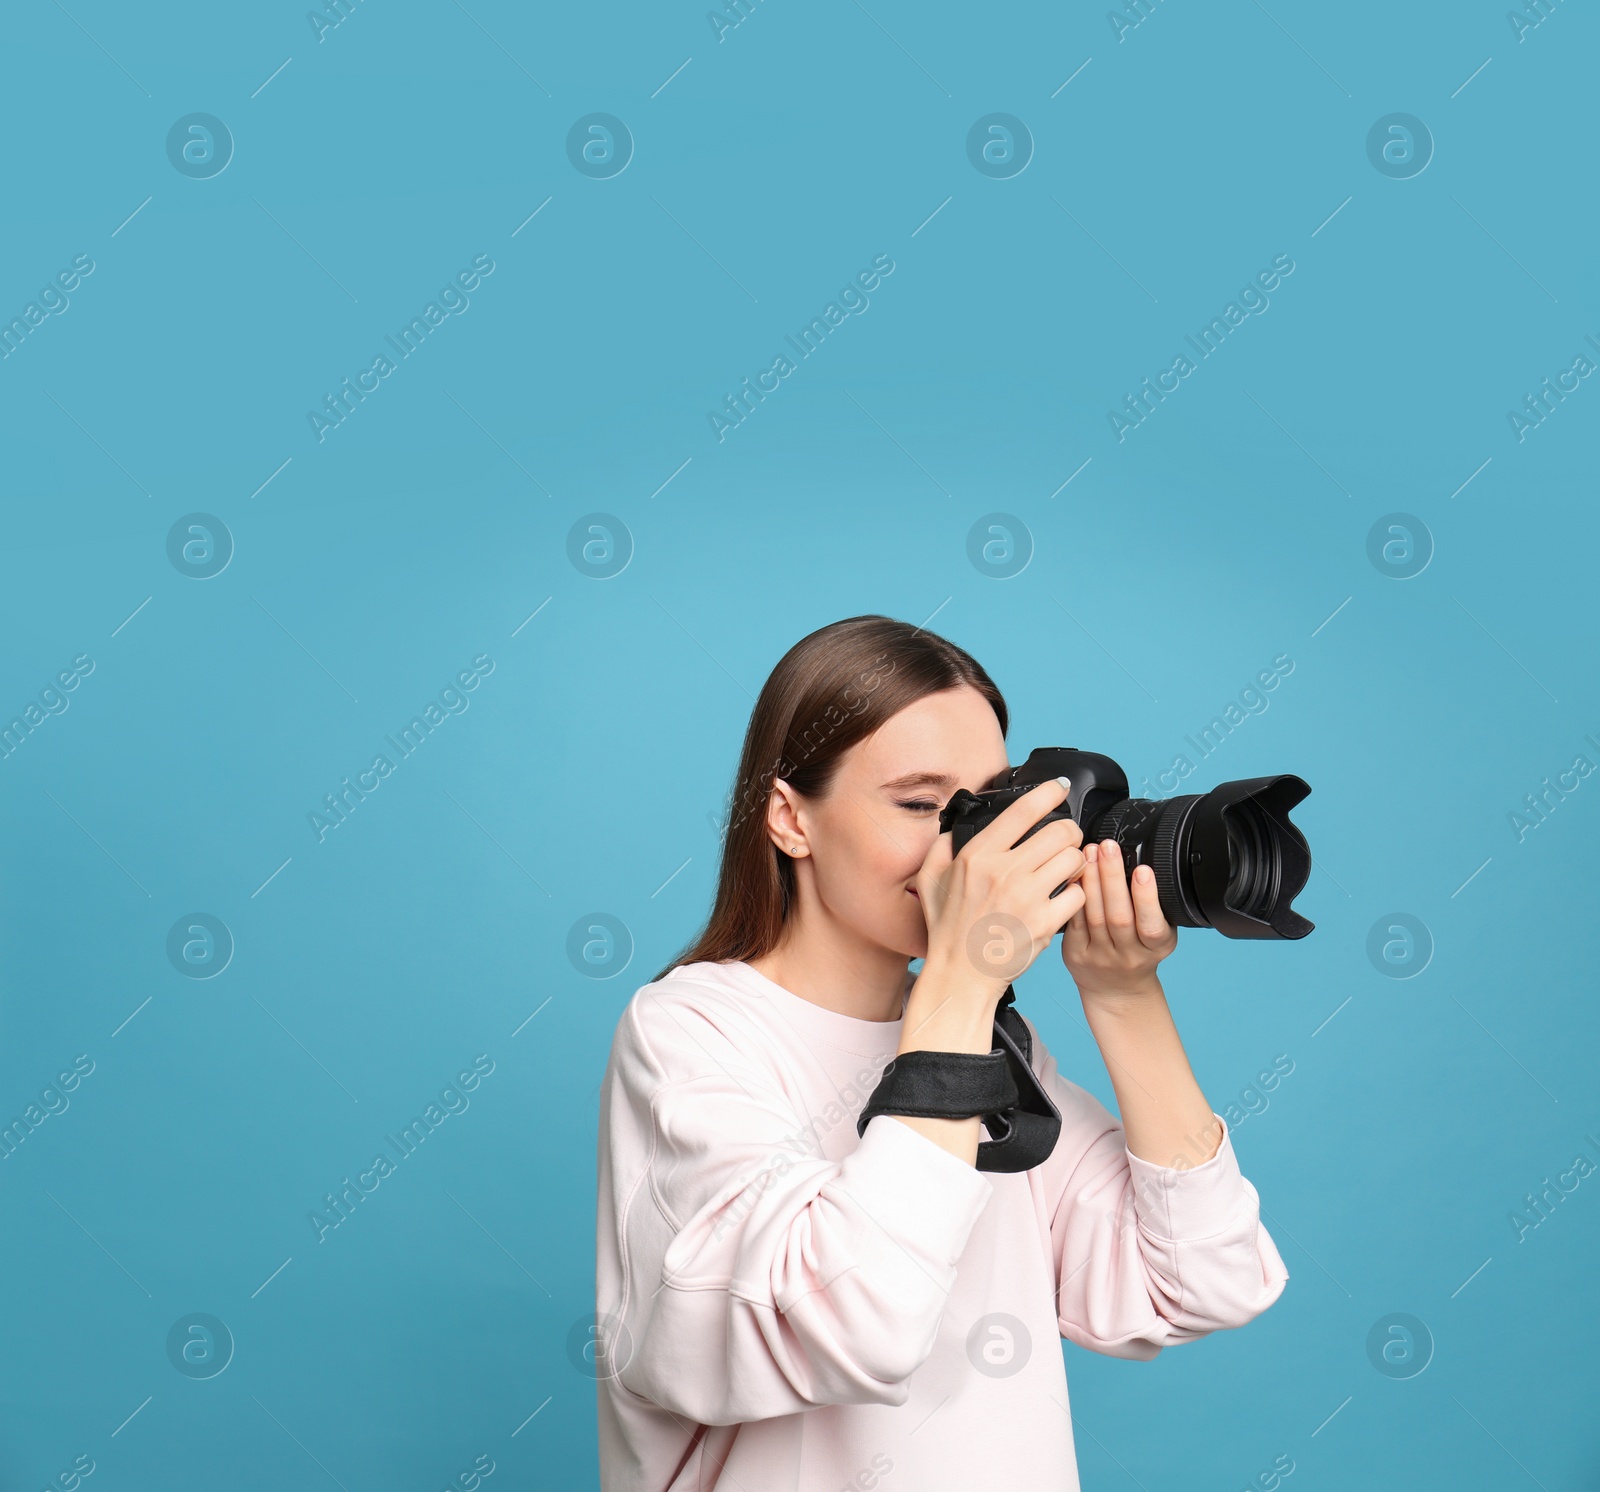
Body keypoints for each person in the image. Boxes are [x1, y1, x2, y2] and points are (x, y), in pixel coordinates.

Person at [594, 614, 1288, 1491]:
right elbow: (853, 1325)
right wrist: (959, 985)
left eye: (985, 805)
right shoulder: (693, 1031)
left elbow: (1207, 1280)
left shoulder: (991, 1045)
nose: (969, 849)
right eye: (922, 805)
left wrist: (1124, 995)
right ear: (789, 819)